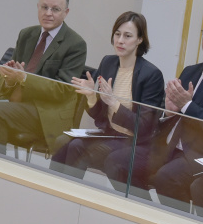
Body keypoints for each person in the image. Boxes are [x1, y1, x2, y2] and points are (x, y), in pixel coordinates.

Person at [102, 11, 203, 210]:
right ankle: (144, 213)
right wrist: (169, 113)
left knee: (166, 178)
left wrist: (188, 106)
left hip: (202, 154)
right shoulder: (191, 71)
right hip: (167, 146)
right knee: (116, 161)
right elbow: (169, 116)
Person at [0, 0, 87, 155]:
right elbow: (13, 74)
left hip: (45, 111)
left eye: (55, 9)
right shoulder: (27, 34)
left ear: (66, 12)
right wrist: (9, 78)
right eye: (44, 7)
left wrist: (24, 78)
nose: (48, 13)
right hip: (17, 101)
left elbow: (62, 90)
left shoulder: (75, 44)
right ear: (38, 7)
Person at [49, 12, 164, 180]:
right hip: (110, 134)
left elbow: (144, 127)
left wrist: (114, 103)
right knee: (63, 142)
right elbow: (99, 115)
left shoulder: (151, 75)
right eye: (117, 34)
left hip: (135, 141)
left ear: (140, 39)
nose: (120, 40)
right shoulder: (108, 62)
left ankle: (70, 194)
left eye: (127, 36)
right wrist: (91, 96)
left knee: (79, 149)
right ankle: (54, 189)